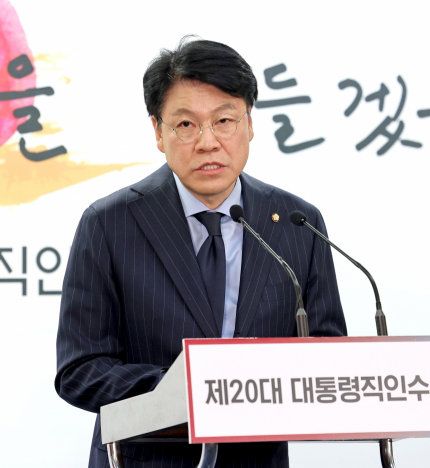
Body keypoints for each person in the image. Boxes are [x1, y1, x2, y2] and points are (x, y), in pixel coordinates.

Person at [55, 37, 347, 468]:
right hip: (146, 460)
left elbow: (329, 357)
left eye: (224, 120)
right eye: (187, 125)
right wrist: (186, 390)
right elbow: (79, 370)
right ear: (158, 132)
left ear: (250, 124)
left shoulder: (298, 223)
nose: (208, 142)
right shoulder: (108, 224)